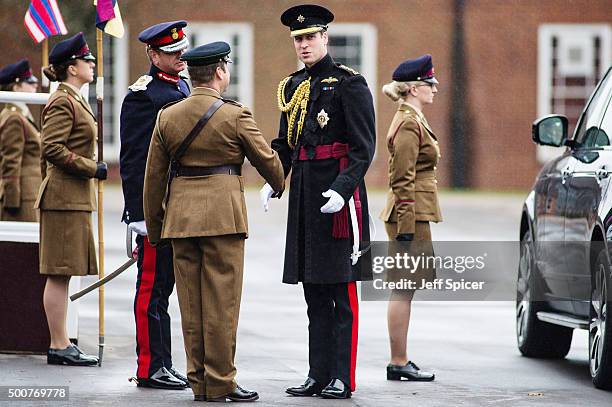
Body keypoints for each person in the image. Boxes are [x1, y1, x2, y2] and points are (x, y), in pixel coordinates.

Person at [143, 41, 284, 402]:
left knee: (191, 304)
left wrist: (157, 229)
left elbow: (153, 179)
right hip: (223, 218)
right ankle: (222, 381)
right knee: (221, 304)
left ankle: (199, 381)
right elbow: (268, 164)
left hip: (181, 220)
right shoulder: (235, 114)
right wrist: (279, 182)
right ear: (220, 72)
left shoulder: (168, 116)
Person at [261, 4, 375, 399]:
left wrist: (343, 189)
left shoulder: (349, 83)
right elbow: (284, 145)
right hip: (307, 198)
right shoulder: (292, 86)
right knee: (313, 291)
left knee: (341, 291)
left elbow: (364, 149)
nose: (304, 45)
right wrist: (274, 181)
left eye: (310, 37)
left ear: (325, 38)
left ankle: (342, 375)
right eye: (298, 39)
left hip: (339, 200)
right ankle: (318, 373)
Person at [119, 20, 190, 390]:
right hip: (155, 206)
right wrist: (139, 215)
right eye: (171, 52)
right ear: (152, 54)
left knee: (167, 288)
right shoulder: (142, 96)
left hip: (179, 203)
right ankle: (150, 366)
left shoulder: (182, 86)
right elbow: (133, 160)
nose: (180, 57)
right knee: (151, 288)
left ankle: (164, 361)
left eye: (181, 51)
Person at [34, 32, 105, 366]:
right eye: (86, 60)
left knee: (65, 272)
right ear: (72, 68)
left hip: (71, 197)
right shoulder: (63, 100)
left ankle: (61, 342)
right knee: (59, 272)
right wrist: (92, 168)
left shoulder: (73, 97)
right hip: (63, 197)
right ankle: (59, 344)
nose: (92, 64)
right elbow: (51, 148)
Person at [379, 54, 442, 382]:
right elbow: (401, 178)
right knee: (403, 288)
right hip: (409, 215)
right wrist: (405, 227)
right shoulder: (407, 122)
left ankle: (400, 359)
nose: (435, 89)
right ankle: (398, 360)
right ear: (415, 88)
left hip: (414, 214)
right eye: (430, 84)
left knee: (407, 287)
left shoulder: (412, 117)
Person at [0, 59, 41, 222]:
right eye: (29, 82)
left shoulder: (19, 114)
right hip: (23, 196)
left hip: (28, 193)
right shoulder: (14, 118)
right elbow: (11, 161)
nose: (35, 86)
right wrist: (11, 201)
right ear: (16, 87)